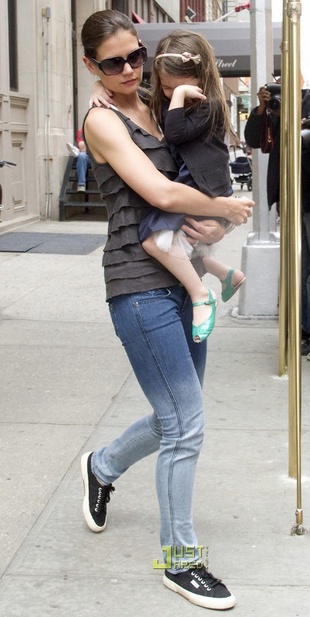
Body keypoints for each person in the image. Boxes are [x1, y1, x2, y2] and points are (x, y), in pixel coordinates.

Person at [80, 9, 253, 610]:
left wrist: (205, 228)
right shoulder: (102, 121)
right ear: (91, 67)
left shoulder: (155, 108)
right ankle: (179, 560)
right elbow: (156, 193)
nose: (129, 68)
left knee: (176, 417)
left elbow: (189, 159)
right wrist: (223, 210)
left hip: (181, 279)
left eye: (136, 56)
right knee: (186, 427)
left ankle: (101, 466)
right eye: (114, 62)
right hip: (138, 283)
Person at [91, 32, 246, 343]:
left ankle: (202, 293)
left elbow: (174, 135)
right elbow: (164, 191)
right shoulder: (136, 110)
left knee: (160, 238)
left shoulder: (203, 105)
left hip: (201, 186)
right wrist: (97, 85)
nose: (127, 70)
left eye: (134, 59)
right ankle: (222, 276)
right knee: (174, 240)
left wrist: (222, 219)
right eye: (166, 87)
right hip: (140, 277)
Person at [244, 83, 310, 354]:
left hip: (308, 193)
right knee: (299, 267)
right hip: (290, 197)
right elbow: (252, 140)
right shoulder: (274, 108)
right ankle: (303, 329)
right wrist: (262, 109)